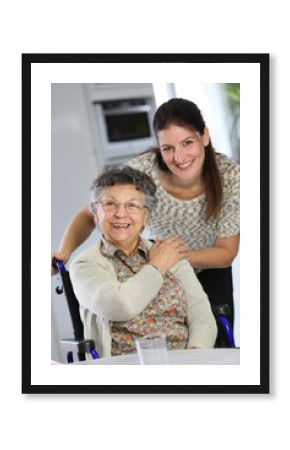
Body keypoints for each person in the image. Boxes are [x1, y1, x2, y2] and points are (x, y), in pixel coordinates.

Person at [52, 98, 239, 328]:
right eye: (167, 148)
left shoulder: (231, 177)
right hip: (153, 268)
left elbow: (226, 252)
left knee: (214, 341)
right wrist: (64, 252)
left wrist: (173, 257)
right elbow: (90, 213)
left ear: (205, 136)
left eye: (187, 143)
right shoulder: (142, 170)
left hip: (208, 269)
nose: (179, 158)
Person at [69, 166, 217, 357]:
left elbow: (202, 315)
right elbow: (122, 306)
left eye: (132, 205)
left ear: (145, 215)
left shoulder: (169, 252)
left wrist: (195, 357)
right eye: (110, 204)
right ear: (96, 214)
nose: (121, 214)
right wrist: (157, 267)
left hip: (186, 362)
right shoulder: (84, 264)